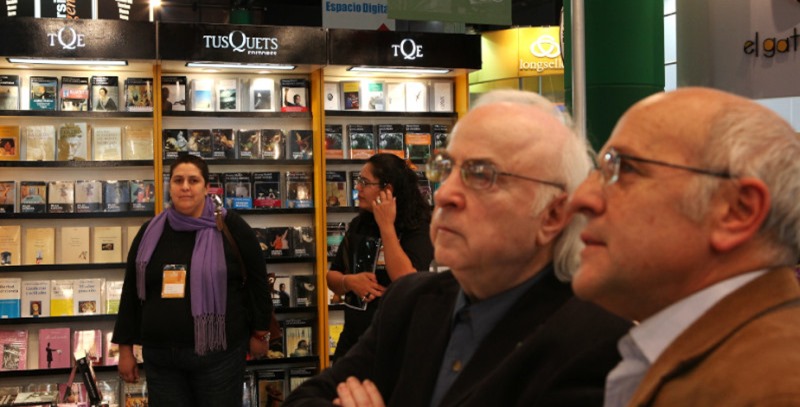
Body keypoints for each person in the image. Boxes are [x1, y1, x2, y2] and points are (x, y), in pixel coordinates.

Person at [284, 90, 630, 407]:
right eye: (447, 168)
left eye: (481, 175)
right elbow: (305, 399)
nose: (446, 193)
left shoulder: (595, 348)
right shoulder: (412, 302)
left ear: (553, 214)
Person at [567, 87, 800, 406]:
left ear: (737, 211)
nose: (581, 199)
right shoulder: (725, 361)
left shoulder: (771, 389)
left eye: (625, 169)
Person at [112, 154, 272, 407]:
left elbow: (257, 281)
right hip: (161, 359)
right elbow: (131, 292)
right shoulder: (150, 232)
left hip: (219, 358)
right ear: (170, 186)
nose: (185, 186)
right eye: (178, 180)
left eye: (193, 180)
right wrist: (124, 349)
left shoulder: (230, 227)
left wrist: (261, 332)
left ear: (207, 187)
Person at [324, 153, 434, 362]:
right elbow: (333, 277)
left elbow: (407, 279)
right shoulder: (359, 224)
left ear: (387, 190)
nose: (357, 188)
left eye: (364, 182)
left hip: (398, 342)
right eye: (358, 180)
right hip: (353, 341)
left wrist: (386, 225)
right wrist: (350, 282)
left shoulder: (418, 227)